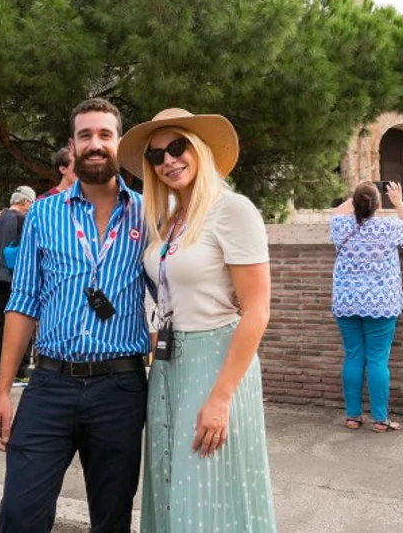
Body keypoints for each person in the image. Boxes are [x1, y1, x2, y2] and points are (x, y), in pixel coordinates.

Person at [0, 98, 149, 533]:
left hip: (120, 387)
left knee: (111, 519)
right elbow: (23, 303)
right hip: (50, 384)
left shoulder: (148, 213)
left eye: (104, 135)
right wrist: (3, 392)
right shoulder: (42, 213)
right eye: (85, 135)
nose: (94, 144)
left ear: (120, 143)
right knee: (20, 515)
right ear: (72, 147)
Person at [119, 107, 277, 533]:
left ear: (200, 149)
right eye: (156, 156)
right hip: (169, 365)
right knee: (173, 484)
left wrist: (221, 397)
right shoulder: (172, 220)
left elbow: (257, 310)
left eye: (177, 146)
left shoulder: (233, 210)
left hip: (217, 361)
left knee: (211, 485)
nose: (168, 161)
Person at [329, 181, 403, 433]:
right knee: (378, 360)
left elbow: (337, 212)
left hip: (347, 301)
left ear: (354, 204)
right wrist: (397, 201)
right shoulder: (387, 227)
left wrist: (359, 191)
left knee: (353, 356)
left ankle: (353, 416)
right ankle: (380, 419)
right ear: (378, 205)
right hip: (380, 303)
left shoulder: (340, 225)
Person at [0, 185, 35, 387]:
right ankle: (19, 372)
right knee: (22, 323)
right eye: (31, 203)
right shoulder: (22, 219)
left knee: (0, 324)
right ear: (25, 201)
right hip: (16, 277)